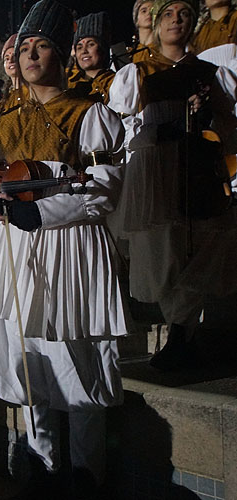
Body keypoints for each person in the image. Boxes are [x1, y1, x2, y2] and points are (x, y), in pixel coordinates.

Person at [0, 0, 128, 497]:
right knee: (28, 358)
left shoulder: (89, 114)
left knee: (77, 354)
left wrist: (45, 212)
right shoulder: (2, 123)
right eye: (25, 46)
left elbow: (105, 188)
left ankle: (86, 473)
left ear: (63, 54)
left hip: (72, 247)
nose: (30, 55)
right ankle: (44, 465)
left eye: (43, 46)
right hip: (17, 248)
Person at [109, 0, 237, 371]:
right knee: (161, 250)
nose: (175, 21)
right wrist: (158, 131)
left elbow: (229, 125)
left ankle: (182, 333)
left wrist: (206, 116)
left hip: (196, 164)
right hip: (155, 168)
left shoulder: (209, 72)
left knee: (196, 245)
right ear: (157, 22)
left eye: (183, 14)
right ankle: (179, 330)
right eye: (167, 14)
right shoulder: (139, 70)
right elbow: (120, 123)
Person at [67, 12, 116, 104]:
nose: (84, 51)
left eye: (91, 44)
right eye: (79, 47)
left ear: (102, 49)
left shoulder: (116, 81)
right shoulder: (71, 85)